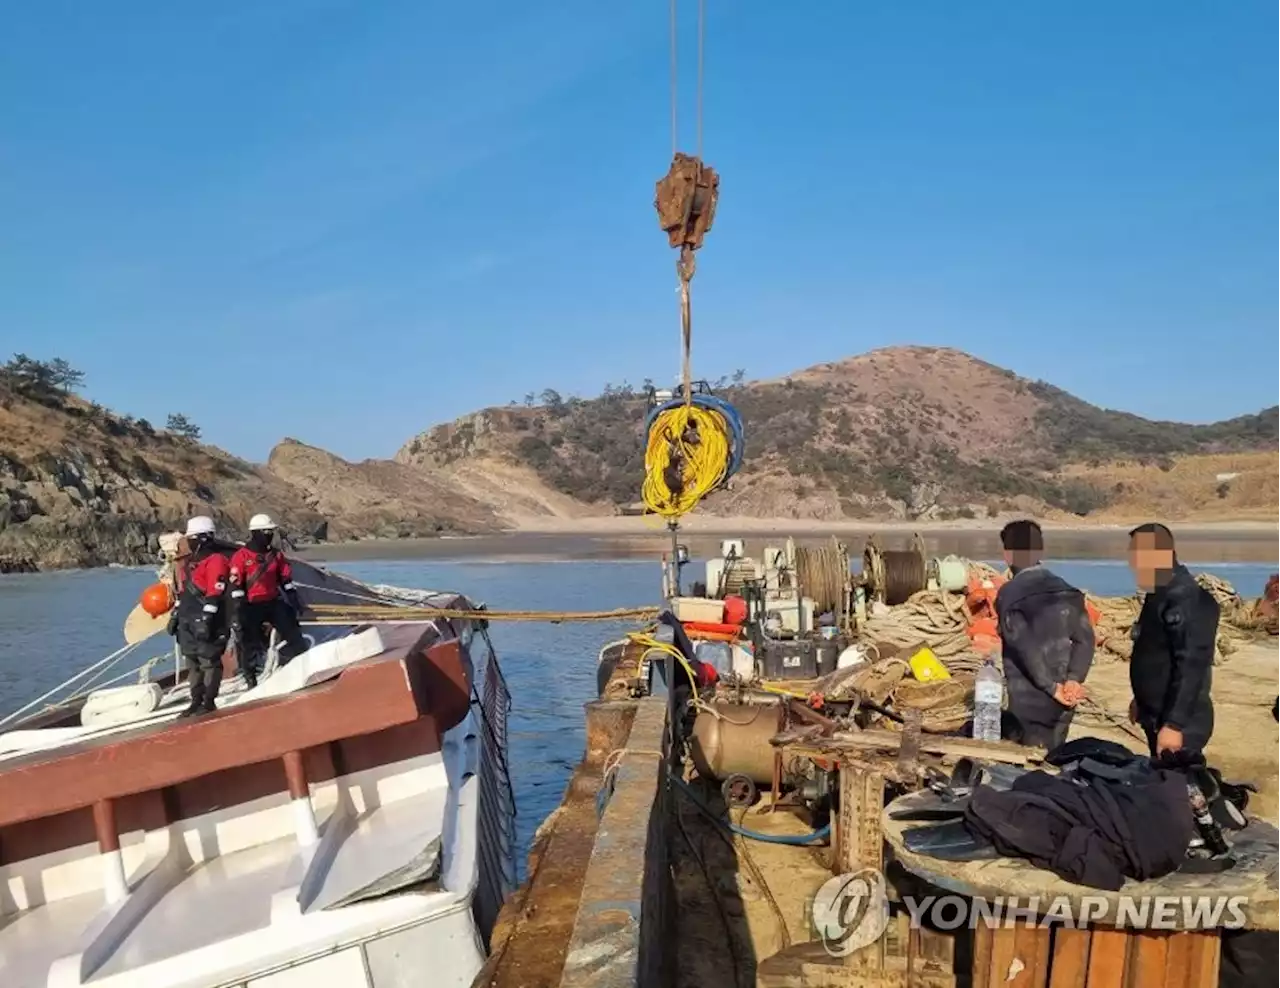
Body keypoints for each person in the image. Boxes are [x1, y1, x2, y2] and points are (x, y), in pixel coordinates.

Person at [994, 519, 1095, 749]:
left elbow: (1023, 645)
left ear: (1007, 555)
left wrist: (1051, 687)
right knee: (1055, 757)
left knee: (1029, 768)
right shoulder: (1066, 590)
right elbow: (1085, 639)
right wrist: (1074, 679)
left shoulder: (1010, 594)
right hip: (1065, 697)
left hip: (1030, 698)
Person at [1127, 523, 1219, 761]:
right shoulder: (1159, 593)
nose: (1133, 563)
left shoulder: (1186, 599)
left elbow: (1191, 665)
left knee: (1178, 789)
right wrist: (1142, 699)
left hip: (1180, 721)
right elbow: (1154, 650)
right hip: (1155, 713)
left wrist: (1174, 724)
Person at [228, 514, 308, 687]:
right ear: (255, 533)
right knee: (248, 640)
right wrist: (238, 610)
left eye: (271, 531)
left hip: (272, 602)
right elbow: (236, 585)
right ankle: (250, 678)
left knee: (293, 631)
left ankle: (304, 666)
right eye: (266, 531)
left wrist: (294, 600)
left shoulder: (276, 556)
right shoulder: (241, 557)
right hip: (250, 604)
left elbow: (285, 580)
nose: (269, 535)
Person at [168, 515, 231, 717]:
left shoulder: (216, 560)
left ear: (203, 538)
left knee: (209, 660)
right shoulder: (190, 563)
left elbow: (216, 590)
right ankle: (195, 701)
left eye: (192, 538)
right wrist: (176, 615)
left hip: (206, 619)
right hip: (188, 618)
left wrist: (207, 619)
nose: (190, 542)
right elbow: (183, 592)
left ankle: (209, 701)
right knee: (192, 662)